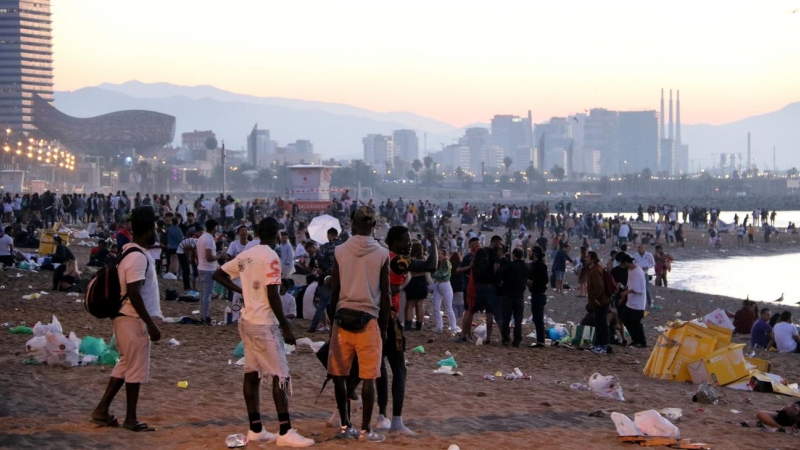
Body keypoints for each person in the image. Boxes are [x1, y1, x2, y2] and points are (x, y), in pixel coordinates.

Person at [212, 218, 313, 447]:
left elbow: (218, 274)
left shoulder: (247, 254)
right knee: (280, 376)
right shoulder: (271, 256)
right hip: (264, 323)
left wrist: (241, 290)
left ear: (257, 233)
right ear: (276, 235)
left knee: (252, 373)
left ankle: (256, 428)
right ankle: (285, 431)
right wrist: (286, 327)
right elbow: (273, 294)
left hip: (246, 320)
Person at [91, 206, 161, 432]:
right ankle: (130, 418)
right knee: (134, 370)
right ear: (149, 229)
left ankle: (102, 410)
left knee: (124, 366)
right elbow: (134, 292)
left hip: (124, 318)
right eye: (155, 228)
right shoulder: (138, 257)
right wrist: (150, 324)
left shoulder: (128, 252)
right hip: (132, 319)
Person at [328, 206, 390, 442]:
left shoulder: (340, 250)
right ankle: (365, 430)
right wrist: (382, 328)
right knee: (368, 379)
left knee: (340, 376)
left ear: (352, 224)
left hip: (343, 318)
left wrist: (333, 318)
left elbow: (335, 290)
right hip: (369, 321)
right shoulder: (382, 254)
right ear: (373, 226)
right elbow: (385, 295)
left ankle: (345, 427)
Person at [378, 225, 437, 435]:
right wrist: (433, 241)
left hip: (374, 315)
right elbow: (431, 264)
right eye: (406, 240)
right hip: (389, 317)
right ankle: (396, 422)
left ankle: (380, 416)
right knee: (399, 369)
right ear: (394, 242)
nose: (409, 244)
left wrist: (398, 288)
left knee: (379, 369)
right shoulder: (397, 259)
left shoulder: (382, 255)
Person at [308, 228, 342, 333]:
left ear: (329, 235)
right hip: (342, 277)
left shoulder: (325, 247)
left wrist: (324, 270)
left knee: (322, 303)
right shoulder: (344, 246)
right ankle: (336, 327)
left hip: (327, 278)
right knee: (339, 303)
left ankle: (313, 327)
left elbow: (321, 261)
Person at [496, 247, 529, 347]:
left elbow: (498, 273)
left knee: (506, 318)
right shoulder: (526, 266)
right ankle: (517, 340)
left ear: (514, 255)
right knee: (518, 319)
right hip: (519, 295)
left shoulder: (509, 265)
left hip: (508, 294)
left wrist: (501, 283)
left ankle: (506, 339)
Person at [615, 252, 647, 348]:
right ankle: (635, 339)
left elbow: (640, 289)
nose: (621, 266)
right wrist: (623, 297)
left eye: (621, 263)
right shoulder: (630, 271)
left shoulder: (638, 272)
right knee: (625, 317)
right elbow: (628, 286)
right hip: (630, 302)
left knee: (636, 321)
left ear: (626, 262)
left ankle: (641, 341)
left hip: (638, 303)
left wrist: (627, 292)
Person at [197, 219, 225, 325]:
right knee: (207, 295)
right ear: (215, 227)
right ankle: (205, 317)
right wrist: (219, 256)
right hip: (208, 269)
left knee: (204, 294)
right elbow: (209, 257)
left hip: (202, 267)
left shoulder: (201, 238)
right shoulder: (209, 239)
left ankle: (204, 315)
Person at [586, 251, 611, 354]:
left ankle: (603, 346)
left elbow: (599, 287)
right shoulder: (597, 268)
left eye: (587, 257)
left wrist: (593, 298)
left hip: (600, 302)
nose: (585, 258)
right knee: (599, 324)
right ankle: (598, 344)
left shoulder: (595, 270)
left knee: (601, 324)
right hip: (602, 301)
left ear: (592, 259)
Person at [403, 242, 430, 331]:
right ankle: (419, 324)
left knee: (410, 304)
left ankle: (408, 323)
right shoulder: (424, 258)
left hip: (411, 281)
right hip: (422, 281)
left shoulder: (409, 259)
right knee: (420, 304)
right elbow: (427, 273)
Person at [430, 247, 457, 333]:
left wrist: (436, 273)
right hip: (439, 284)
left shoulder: (446, 263)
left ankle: (453, 327)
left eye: (442, 254)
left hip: (445, 285)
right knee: (436, 307)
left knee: (448, 307)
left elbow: (441, 274)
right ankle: (439, 326)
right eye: (439, 254)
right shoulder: (439, 263)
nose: (440, 255)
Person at [526, 246, 548, 348]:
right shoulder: (534, 265)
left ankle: (541, 341)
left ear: (534, 254)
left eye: (530, 252)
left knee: (538, 318)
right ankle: (540, 340)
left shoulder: (540, 265)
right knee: (536, 318)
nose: (529, 254)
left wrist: (533, 283)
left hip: (539, 294)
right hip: (535, 294)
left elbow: (544, 280)